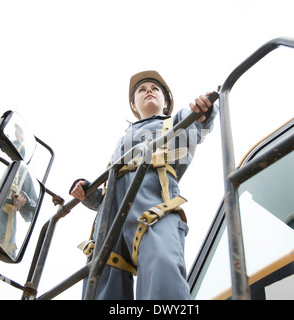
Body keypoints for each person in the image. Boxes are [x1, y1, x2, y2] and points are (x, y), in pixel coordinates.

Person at [70, 70, 218, 299]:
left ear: (166, 102)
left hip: (153, 205)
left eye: (154, 89)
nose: (149, 91)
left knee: (163, 267)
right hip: (110, 222)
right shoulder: (122, 142)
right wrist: (88, 192)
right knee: (100, 284)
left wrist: (205, 109)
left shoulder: (176, 122)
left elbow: (200, 123)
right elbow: (108, 196)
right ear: (134, 105)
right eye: (142, 89)